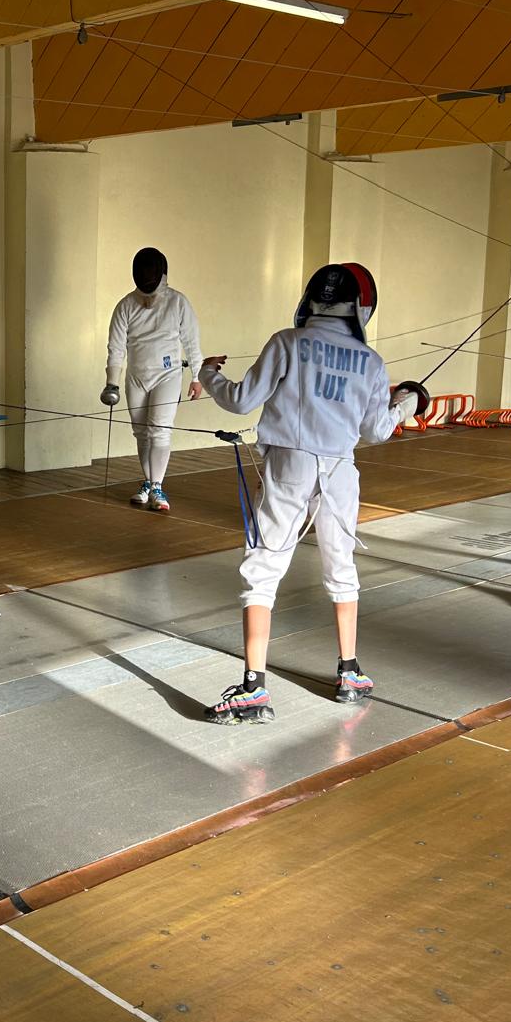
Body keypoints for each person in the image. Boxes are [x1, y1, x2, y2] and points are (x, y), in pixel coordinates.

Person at [198, 263, 424, 724]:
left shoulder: (288, 342)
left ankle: (253, 688)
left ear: (311, 299)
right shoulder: (371, 361)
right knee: (341, 567)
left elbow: (240, 400)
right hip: (340, 472)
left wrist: (208, 374)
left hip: (289, 465)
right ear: (359, 307)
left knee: (263, 569)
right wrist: (408, 404)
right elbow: (377, 430)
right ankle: (350, 673)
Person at [101, 246, 204, 513]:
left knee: (160, 429)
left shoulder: (178, 302)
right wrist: (112, 382)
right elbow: (116, 347)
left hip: (167, 376)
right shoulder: (125, 305)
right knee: (141, 432)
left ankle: (157, 487)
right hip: (137, 377)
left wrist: (197, 376)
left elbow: (191, 341)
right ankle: (148, 482)